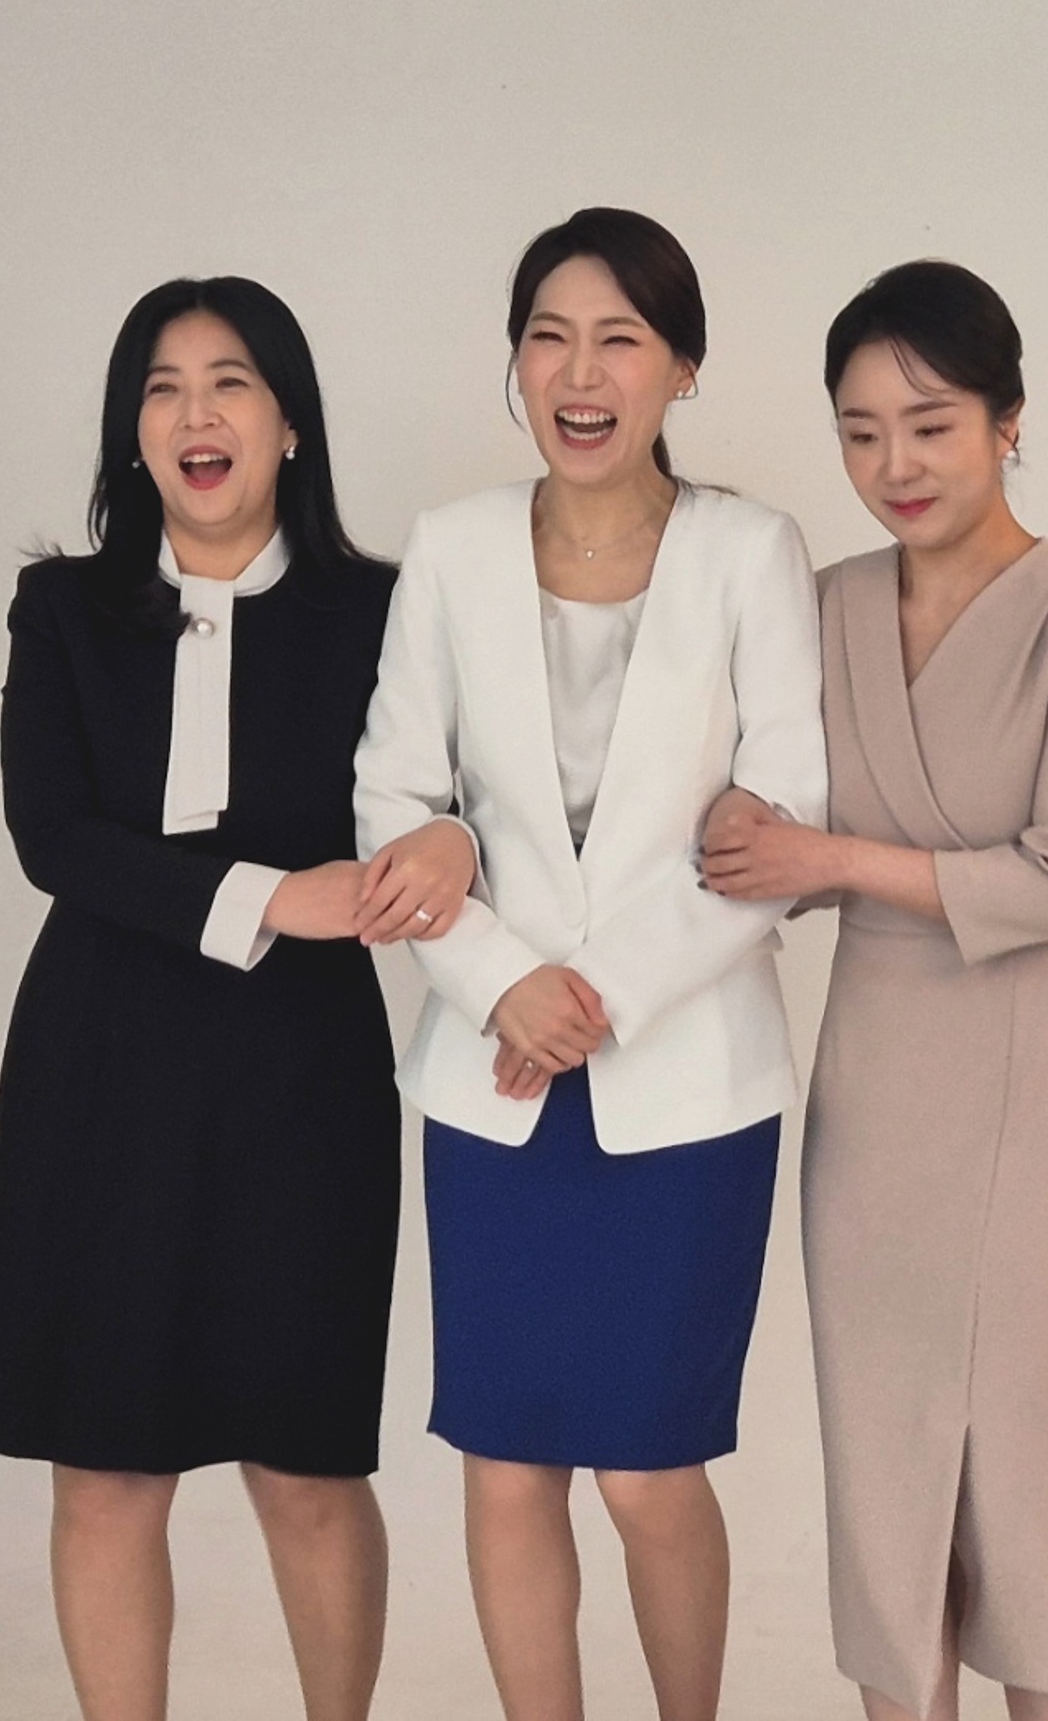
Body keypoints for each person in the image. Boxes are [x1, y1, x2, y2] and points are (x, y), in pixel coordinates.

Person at [353, 208, 827, 1721]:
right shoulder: (451, 548)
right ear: (514, 363)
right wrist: (503, 982)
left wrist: (597, 996)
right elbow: (392, 797)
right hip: (490, 1086)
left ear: (681, 367)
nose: (580, 372)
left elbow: (781, 819)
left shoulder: (751, 553)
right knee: (504, 1467)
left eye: (620, 338)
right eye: (548, 337)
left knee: (647, 1472)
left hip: (684, 1083)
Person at [0, 275, 474, 1721]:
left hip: (301, 1074)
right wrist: (273, 895)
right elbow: (52, 837)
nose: (194, 414)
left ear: (290, 423)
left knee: (306, 1459)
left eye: (229, 383)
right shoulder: (63, 608)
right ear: (130, 430)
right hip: (97, 1063)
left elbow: (456, 802)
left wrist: (450, 842)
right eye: (162, 388)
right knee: (106, 1465)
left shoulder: (385, 610)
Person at [703, 261, 1048, 1721]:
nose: (893, 463)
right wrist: (748, 840)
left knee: (1036, 1478)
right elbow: (763, 839)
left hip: (1036, 1097)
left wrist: (824, 856)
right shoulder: (823, 606)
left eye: (931, 423)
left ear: (1008, 421)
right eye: (859, 431)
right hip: (877, 1098)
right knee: (887, 1473)